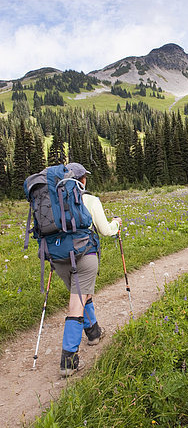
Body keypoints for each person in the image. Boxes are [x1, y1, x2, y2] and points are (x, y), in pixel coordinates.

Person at [53, 162, 122, 377]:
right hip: (85, 256)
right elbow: (105, 230)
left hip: (58, 257)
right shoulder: (91, 200)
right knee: (76, 304)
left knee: (81, 295)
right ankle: (68, 361)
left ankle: (93, 334)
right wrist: (117, 223)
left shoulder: (54, 201)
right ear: (82, 180)